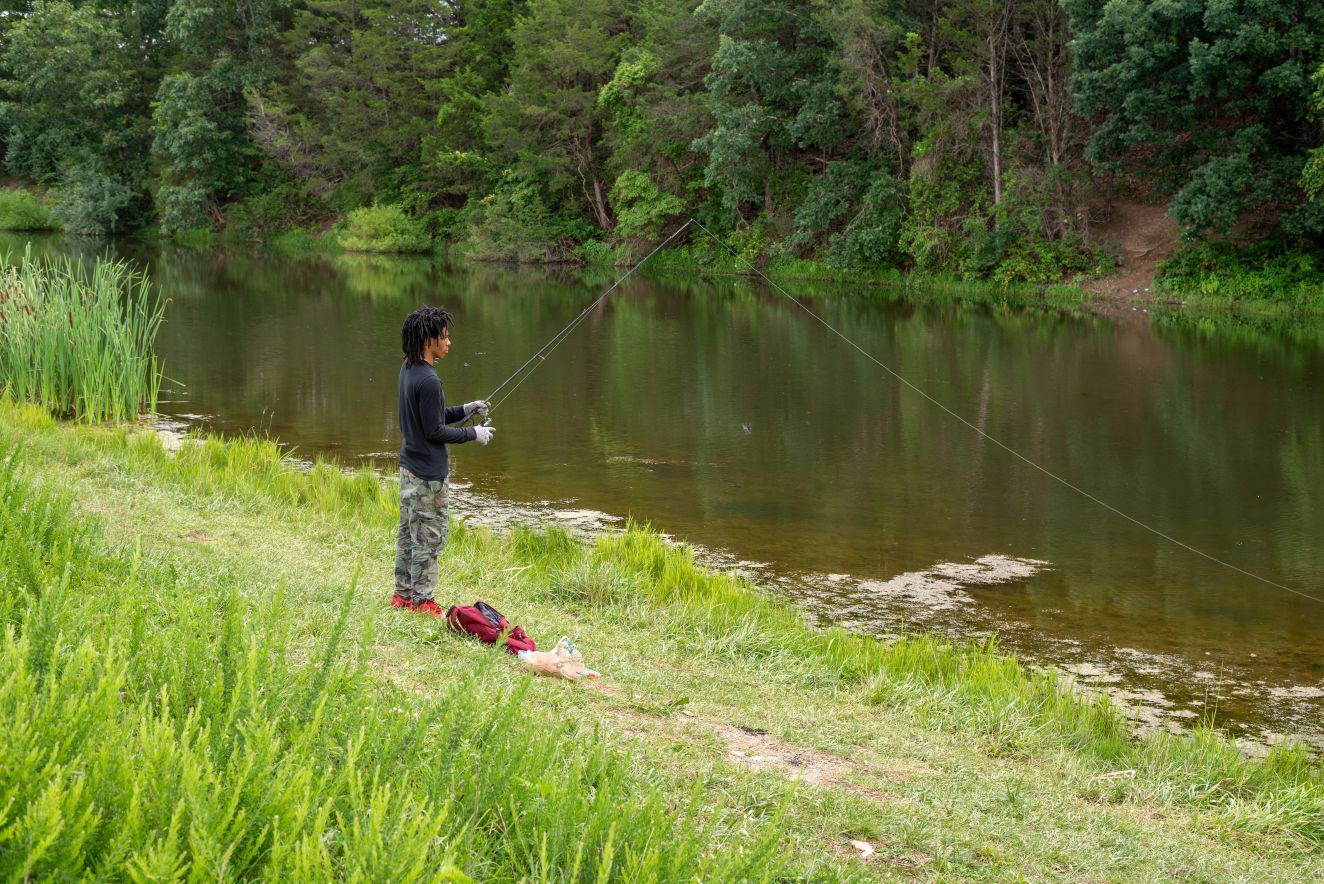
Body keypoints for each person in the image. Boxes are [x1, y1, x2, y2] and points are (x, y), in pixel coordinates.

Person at [393, 306, 494, 616]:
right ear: (429, 340)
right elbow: (434, 430)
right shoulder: (430, 381)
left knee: (409, 533)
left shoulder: (409, 369)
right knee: (429, 537)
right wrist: (473, 434)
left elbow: (431, 417)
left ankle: (403, 595)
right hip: (428, 476)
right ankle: (423, 602)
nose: (449, 342)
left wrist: (465, 409)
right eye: (444, 337)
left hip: (409, 468)